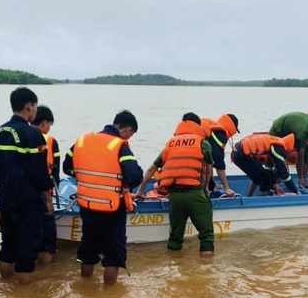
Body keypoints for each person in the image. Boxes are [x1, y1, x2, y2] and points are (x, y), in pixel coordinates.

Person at [63, 110, 143, 285]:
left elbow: (66, 167)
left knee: (88, 249)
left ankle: (85, 289)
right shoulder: (120, 146)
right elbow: (135, 177)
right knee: (113, 255)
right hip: (112, 208)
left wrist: (88, 180)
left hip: (87, 205)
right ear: (127, 130)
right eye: (130, 135)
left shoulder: (82, 141)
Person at [0, 87, 54, 285]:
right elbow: (39, 172)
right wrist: (48, 198)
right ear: (29, 106)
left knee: (8, 243)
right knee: (27, 248)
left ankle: (5, 287)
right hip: (27, 199)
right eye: (35, 106)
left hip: (5, 195)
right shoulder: (32, 135)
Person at [136, 113, 214, 255]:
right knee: (206, 238)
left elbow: (150, 169)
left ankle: (173, 270)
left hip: (175, 197)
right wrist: (207, 188)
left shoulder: (170, 144)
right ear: (198, 126)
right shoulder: (203, 144)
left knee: (175, 239)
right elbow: (208, 171)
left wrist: (140, 192)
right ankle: (206, 272)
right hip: (196, 194)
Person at [33, 105, 60, 264]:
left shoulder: (18, 135)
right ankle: (45, 274)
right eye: (50, 124)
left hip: (19, 193)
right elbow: (54, 173)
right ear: (44, 123)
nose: (49, 128)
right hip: (43, 195)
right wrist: (50, 198)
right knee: (47, 241)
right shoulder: (50, 141)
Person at [233, 133, 299, 196]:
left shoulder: (277, 143)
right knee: (266, 180)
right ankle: (261, 201)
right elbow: (284, 174)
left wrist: (275, 185)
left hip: (239, 152)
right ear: (292, 149)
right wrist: (296, 191)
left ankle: (249, 197)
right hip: (241, 156)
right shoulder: (279, 150)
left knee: (260, 176)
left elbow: (270, 169)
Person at [201, 114, 239, 197]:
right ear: (232, 126)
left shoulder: (212, 130)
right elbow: (219, 162)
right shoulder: (220, 134)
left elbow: (210, 159)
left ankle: (212, 185)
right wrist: (227, 188)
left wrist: (213, 183)